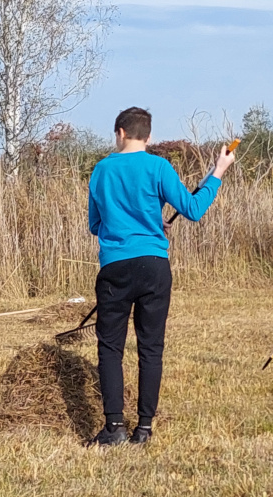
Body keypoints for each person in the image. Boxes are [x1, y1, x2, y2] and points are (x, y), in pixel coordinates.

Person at [87, 107, 235, 446]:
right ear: (148, 136)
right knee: (151, 346)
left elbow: (95, 224)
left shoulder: (101, 170)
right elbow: (193, 209)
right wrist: (218, 172)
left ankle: (113, 428)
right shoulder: (158, 166)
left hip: (115, 267)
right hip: (154, 265)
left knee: (110, 346)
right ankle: (144, 428)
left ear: (119, 133)